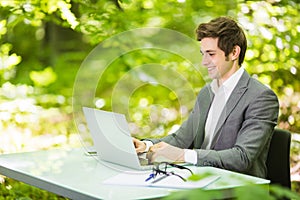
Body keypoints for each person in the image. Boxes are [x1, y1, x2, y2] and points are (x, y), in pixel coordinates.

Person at [133, 16, 279, 178]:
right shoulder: (207, 93)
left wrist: (183, 155)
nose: (204, 62)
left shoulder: (261, 97)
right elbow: (181, 139)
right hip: (200, 179)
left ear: (234, 53)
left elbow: (242, 157)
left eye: (211, 54)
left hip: (237, 186)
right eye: (203, 54)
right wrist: (146, 146)